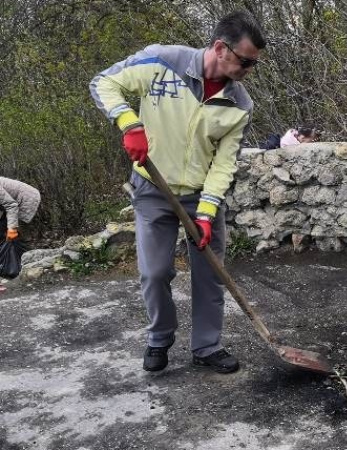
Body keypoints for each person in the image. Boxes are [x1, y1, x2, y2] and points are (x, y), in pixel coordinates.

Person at [89, 11, 266, 374]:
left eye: (254, 64)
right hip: (154, 188)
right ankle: (159, 338)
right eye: (246, 61)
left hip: (201, 194)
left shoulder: (239, 104)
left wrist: (207, 212)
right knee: (154, 272)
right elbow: (103, 82)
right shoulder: (162, 62)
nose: (250, 70)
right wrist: (129, 123)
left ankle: (207, 346)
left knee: (210, 273)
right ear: (221, 48)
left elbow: (224, 164)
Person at [0, 177, 41, 243]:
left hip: (27, 198)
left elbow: (11, 206)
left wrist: (12, 228)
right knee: (3, 228)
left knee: (16, 231)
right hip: (13, 202)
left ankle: (23, 246)